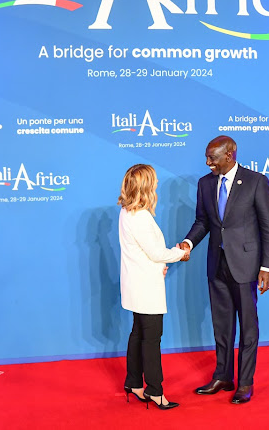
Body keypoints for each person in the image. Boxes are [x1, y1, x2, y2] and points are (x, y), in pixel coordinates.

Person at [179, 136, 269, 404]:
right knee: (222, 326)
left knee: (248, 327)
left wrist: (266, 267)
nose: (207, 162)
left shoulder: (256, 182)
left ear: (230, 155)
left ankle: (245, 382)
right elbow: (203, 222)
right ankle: (223, 375)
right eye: (207, 157)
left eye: (212, 157)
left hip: (246, 266)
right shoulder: (205, 183)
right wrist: (188, 242)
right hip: (216, 265)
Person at [118, 164, 189, 410]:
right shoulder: (140, 217)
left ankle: (134, 383)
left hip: (137, 282)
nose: (157, 184)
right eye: (154, 180)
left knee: (138, 333)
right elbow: (157, 252)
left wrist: (158, 263)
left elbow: (143, 253)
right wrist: (181, 253)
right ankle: (155, 391)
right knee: (151, 338)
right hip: (145, 287)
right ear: (146, 185)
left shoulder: (127, 211)